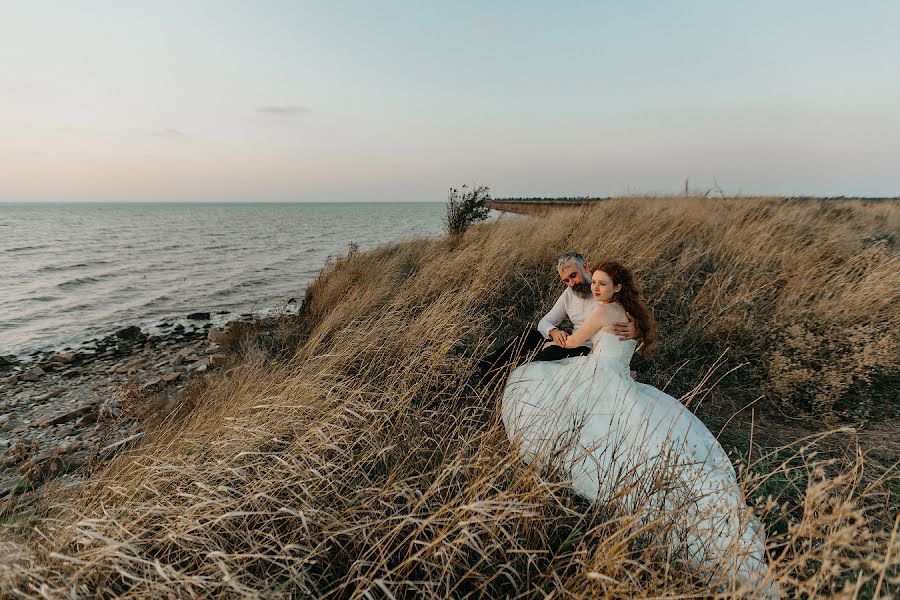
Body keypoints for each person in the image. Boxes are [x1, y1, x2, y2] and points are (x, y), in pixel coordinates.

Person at [500, 261, 777, 597]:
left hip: (597, 375)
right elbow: (637, 343)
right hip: (621, 377)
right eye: (596, 284)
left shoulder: (604, 312)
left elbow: (574, 344)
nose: (597, 289)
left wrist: (556, 339)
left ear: (617, 287)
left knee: (541, 391)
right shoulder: (634, 315)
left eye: (602, 284)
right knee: (632, 429)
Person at [478, 252, 635, 379]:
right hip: (571, 341)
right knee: (529, 335)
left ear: (585, 267)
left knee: (551, 352)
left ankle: (513, 379)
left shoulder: (604, 291)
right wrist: (553, 331)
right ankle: (485, 368)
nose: (571, 283)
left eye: (573, 275)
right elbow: (545, 321)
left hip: (588, 351)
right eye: (566, 280)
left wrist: (636, 331)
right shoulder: (569, 293)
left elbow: (625, 323)